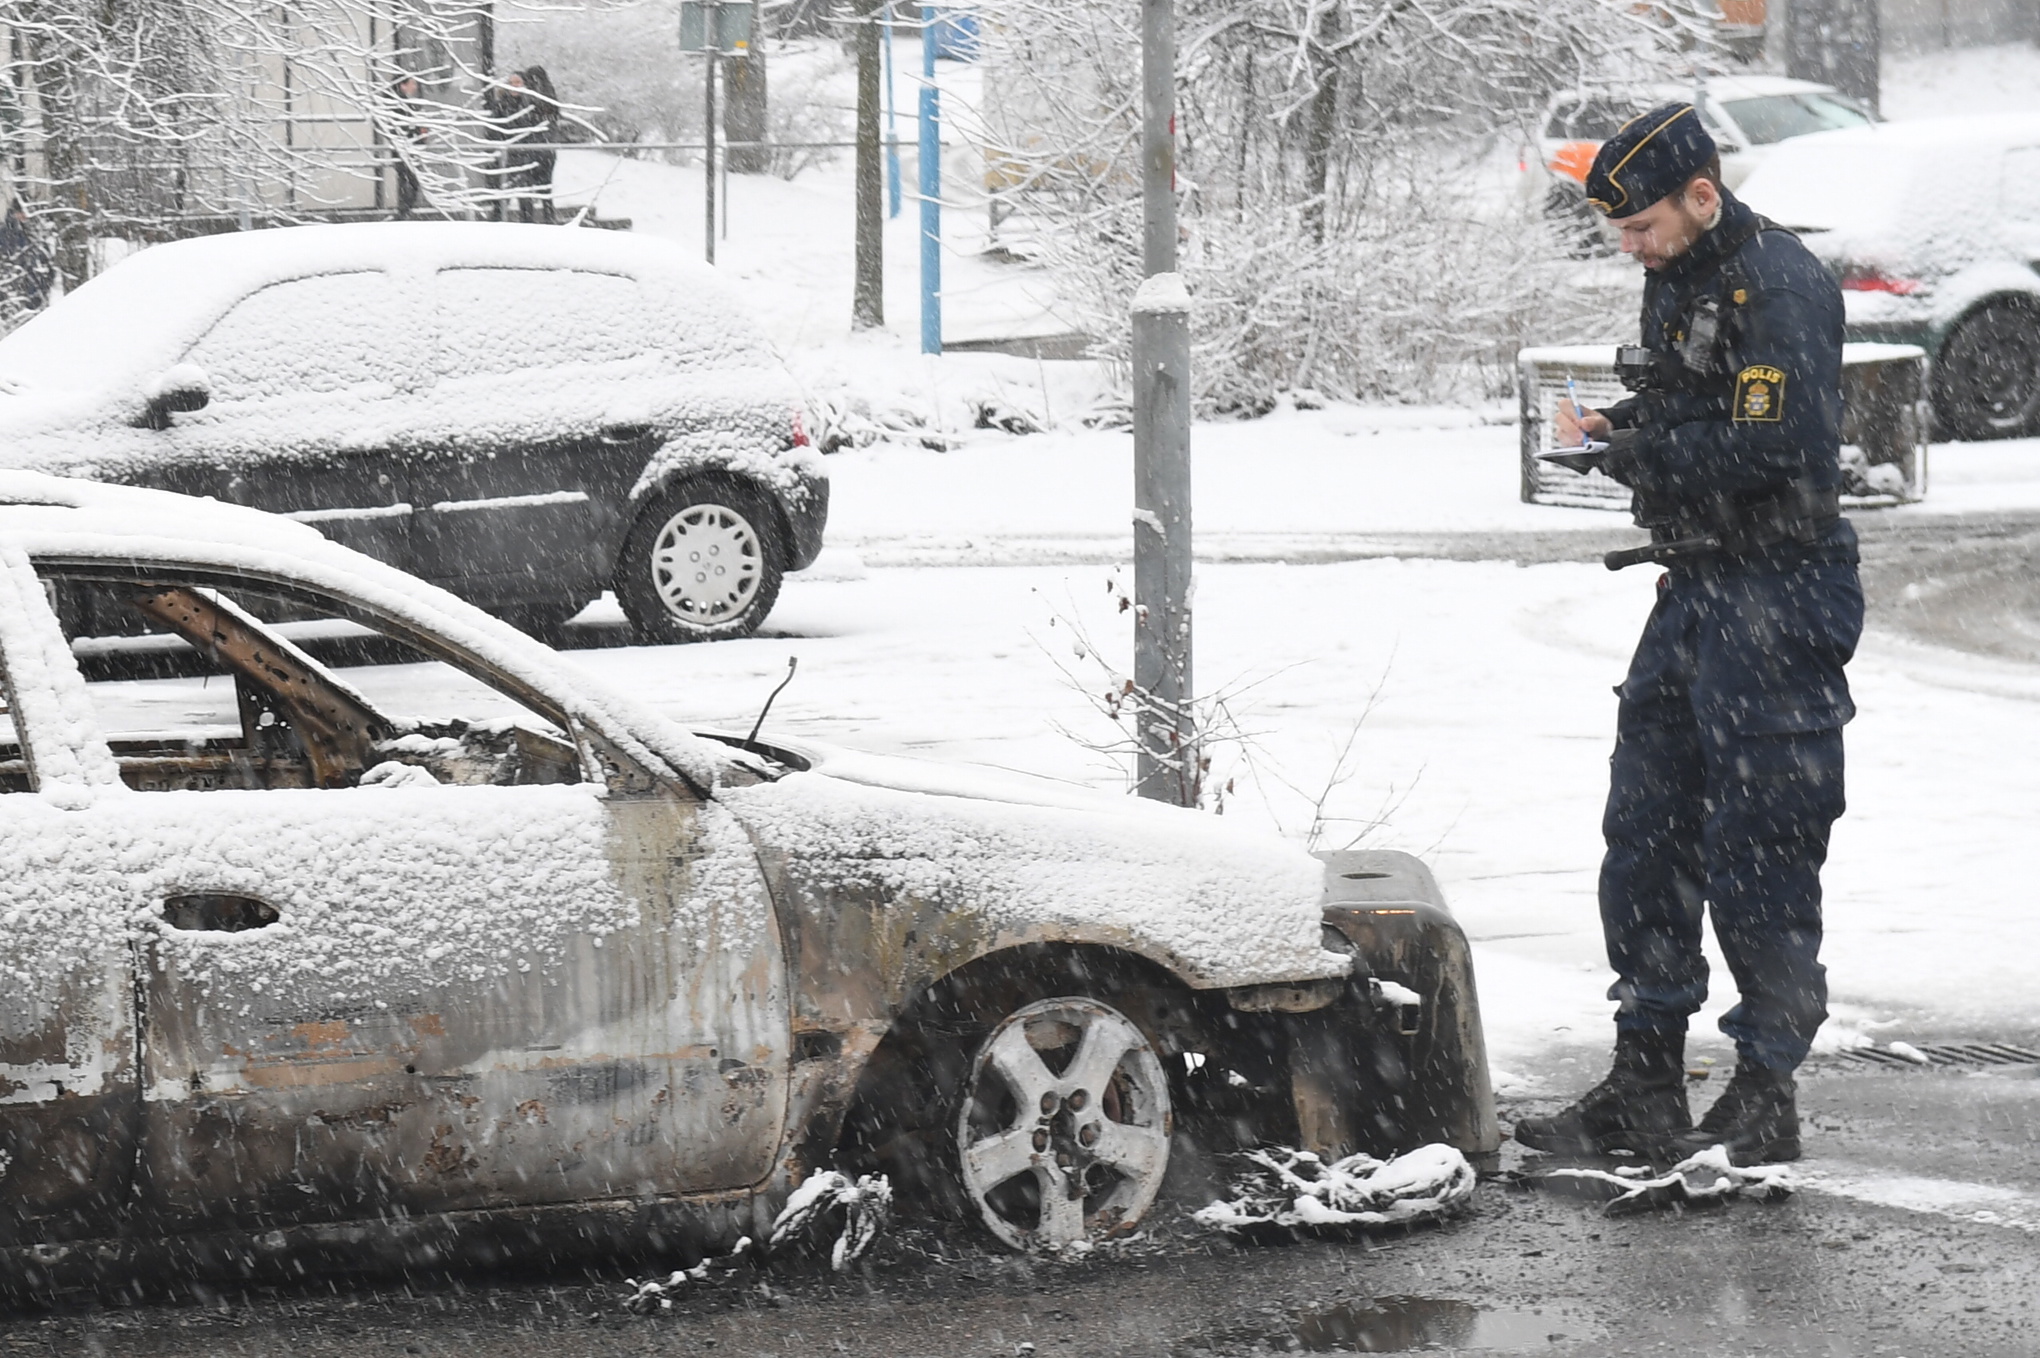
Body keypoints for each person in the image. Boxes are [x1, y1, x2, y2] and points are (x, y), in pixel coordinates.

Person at [1511, 104, 1861, 1167]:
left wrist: (1644, 453)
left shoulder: (1783, 284)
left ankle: (1764, 1089)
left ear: (1702, 195)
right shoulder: (1684, 273)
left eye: (1643, 227)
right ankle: (1644, 1078)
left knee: (1763, 844)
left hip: (1780, 589)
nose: (1630, 246)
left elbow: (1777, 444)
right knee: (1648, 828)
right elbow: (1696, 406)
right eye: (1623, 232)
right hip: (1698, 585)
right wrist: (1632, 426)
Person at [482, 71, 537, 222]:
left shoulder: (530, 105)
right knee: (501, 202)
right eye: (512, 83)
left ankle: (528, 231)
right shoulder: (500, 105)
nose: (515, 86)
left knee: (526, 202)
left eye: (518, 83)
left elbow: (534, 130)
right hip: (505, 158)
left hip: (524, 158)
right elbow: (493, 130)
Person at [516, 66, 561, 224]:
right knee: (544, 191)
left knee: (528, 191)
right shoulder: (549, 94)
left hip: (533, 149)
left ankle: (528, 222)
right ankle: (548, 221)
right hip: (544, 149)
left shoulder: (532, 97)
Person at [0, 199, 54, 321]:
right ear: (14, 213)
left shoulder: (35, 233)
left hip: (36, 295)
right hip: (13, 297)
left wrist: (47, 283)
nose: (25, 215)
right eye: (22, 212)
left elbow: (47, 261)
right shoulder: (6, 234)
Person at [388, 75, 430, 220]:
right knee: (410, 183)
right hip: (406, 151)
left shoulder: (401, 104)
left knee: (407, 183)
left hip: (405, 151)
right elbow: (404, 128)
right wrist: (418, 131)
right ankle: (402, 214)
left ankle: (403, 214)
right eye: (413, 83)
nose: (415, 86)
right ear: (403, 85)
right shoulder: (401, 105)